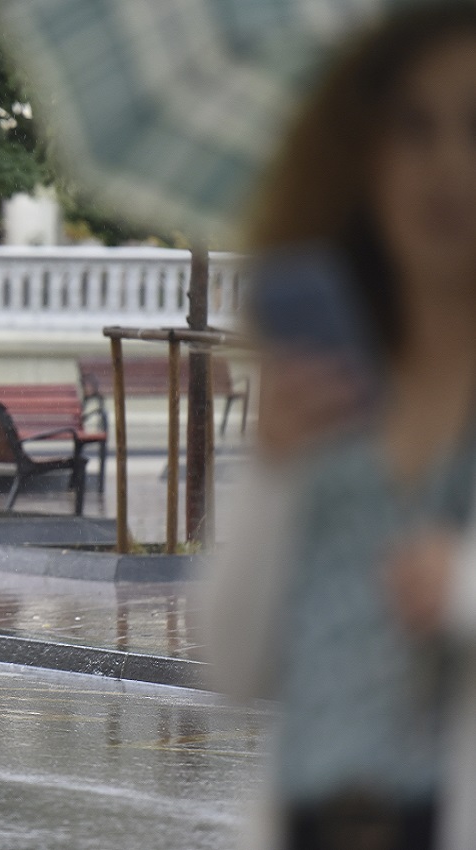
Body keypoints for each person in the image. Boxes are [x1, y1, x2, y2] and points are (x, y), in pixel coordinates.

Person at [206, 6, 476, 850]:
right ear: (364, 157)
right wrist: (275, 473)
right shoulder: (327, 383)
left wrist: (463, 589)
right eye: (413, 127)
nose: (447, 165)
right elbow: (232, 663)